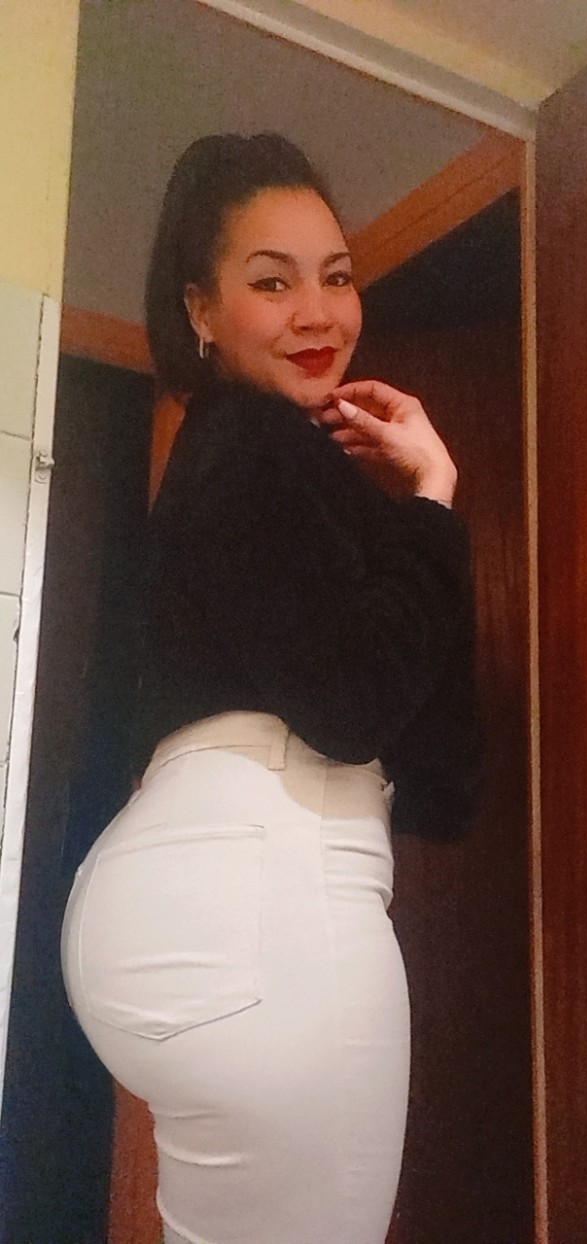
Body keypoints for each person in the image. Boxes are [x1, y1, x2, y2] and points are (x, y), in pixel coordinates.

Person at [60, 132, 479, 1244]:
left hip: (176, 905)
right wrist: (433, 500)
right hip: (263, 904)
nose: (318, 312)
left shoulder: (231, 460)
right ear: (199, 309)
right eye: (272, 281)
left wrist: (400, 519)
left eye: (336, 277)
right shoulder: (252, 442)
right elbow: (358, 707)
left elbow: (423, 759)